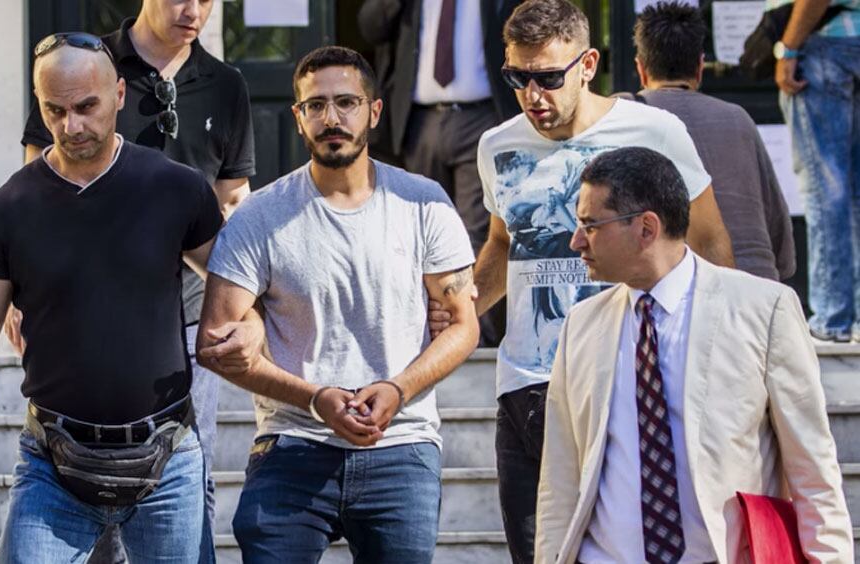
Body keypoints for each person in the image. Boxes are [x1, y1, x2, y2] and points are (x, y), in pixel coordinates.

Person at [0, 35, 261, 562]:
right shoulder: (4, 213)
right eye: (55, 110)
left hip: (167, 458)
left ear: (120, 95)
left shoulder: (176, 189)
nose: (72, 126)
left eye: (87, 107)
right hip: (53, 465)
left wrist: (253, 326)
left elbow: (237, 281)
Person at [432, 1, 734, 561]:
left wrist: (722, 354)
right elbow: (505, 243)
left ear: (588, 64)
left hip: (630, 379)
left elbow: (710, 241)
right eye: (517, 78)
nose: (533, 95)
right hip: (526, 384)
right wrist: (460, 306)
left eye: (548, 77)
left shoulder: (653, 130)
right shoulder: (497, 144)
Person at [197, 46, 480, 563]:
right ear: (298, 116)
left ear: (374, 111)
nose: (332, 117)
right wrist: (314, 398)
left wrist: (399, 389)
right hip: (292, 442)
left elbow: (464, 324)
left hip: (402, 441)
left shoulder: (423, 203)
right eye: (316, 105)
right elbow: (215, 342)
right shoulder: (260, 216)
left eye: (347, 102)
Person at [13, 1, 255, 552]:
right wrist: (17, 290)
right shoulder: (84, 66)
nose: (193, 10)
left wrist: (247, 308)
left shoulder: (226, 85)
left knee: (189, 473)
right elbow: (35, 184)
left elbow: (233, 201)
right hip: (82, 312)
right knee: (88, 481)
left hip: (189, 315)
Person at [535, 146, 852, 562]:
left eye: (590, 225)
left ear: (646, 228)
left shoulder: (763, 309)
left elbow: (812, 467)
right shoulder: (581, 324)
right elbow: (559, 479)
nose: (576, 241)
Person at [357, 0, 522, 346]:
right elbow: (370, 27)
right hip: (420, 122)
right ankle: (426, 334)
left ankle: (473, 336)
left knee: (476, 232)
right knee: (421, 233)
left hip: (482, 118)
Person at [625, 1, 795, 281]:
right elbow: (780, 235)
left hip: (683, 287)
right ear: (700, 67)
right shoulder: (738, 118)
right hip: (759, 282)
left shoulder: (626, 116)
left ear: (641, 68)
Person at [771, 0, 860, 342]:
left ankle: (832, 318)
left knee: (826, 188)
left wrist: (789, 49)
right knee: (851, 190)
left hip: (824, 44)